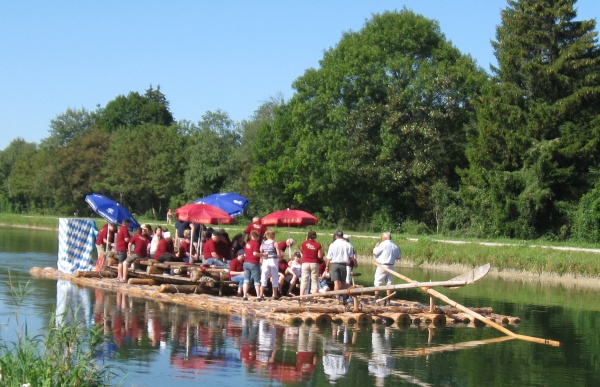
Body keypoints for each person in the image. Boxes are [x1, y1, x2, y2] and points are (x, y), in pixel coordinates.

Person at [372, 232, 401, 305]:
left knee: (377, 281)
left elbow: (375, 252)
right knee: (389, 283)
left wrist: (376, 246)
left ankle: (376, 298)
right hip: (391, 266)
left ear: (384, 238)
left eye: (382, 237)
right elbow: (398, 257)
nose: (381, 239)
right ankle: (388, 300)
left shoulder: (383, 244)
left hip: (382, 265)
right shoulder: (395, 246)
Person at [327, 230, 354, 303]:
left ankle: (337, 297)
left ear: (336, 236)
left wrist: (327, 266)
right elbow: (352, 258)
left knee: (336, 282)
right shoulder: (348, 245)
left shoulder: (332, 244)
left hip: (334, 264)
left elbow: (329, 257)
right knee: (343, 282)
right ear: (342, 235)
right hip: (343, 265)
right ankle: (345, 296)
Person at [300, 230, 323, 296]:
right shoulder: (318, 244)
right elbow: (319, 256)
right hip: (314, 263)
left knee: (304, 279)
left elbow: (302, 252)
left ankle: (301, 295)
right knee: (314, 280)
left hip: (305, 262)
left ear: (308, 236)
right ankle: (314, 295)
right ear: (315, 236)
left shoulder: (304, 243)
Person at [260, 229, 281, 300]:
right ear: (272, 235)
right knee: (275, 276)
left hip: (265, 260)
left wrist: (262, 258)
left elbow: (261, 252)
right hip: (273, 260)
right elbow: (278, 254)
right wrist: (279, 257)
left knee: (264, 276)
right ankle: (274, 294)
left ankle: (261, 293)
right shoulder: (274, 243)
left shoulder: (263, 243)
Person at [243, 230, 262, 301]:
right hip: (253, 262)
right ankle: (258, 296)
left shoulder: (247, 243)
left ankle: (244, 295)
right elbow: (255, 253)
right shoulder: (256, 244)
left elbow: (245, 254)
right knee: (257, 280)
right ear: (256, 236)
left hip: (246, 262)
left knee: (246, 279)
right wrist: (263, 255)